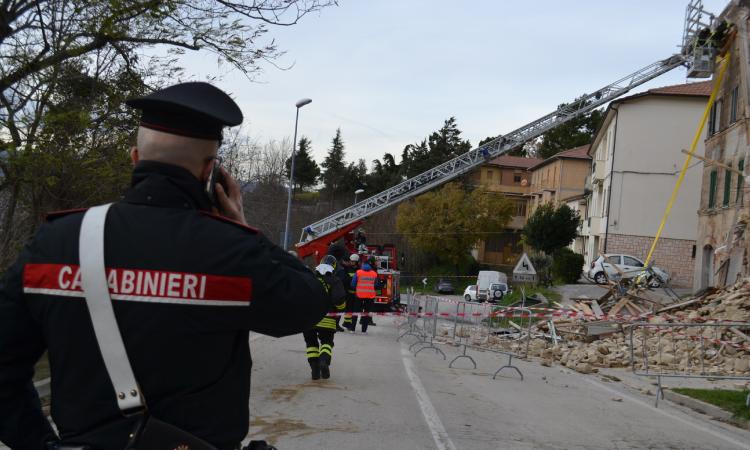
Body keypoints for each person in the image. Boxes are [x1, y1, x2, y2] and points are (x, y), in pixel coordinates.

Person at [0, 82, 332, 449]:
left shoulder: (55, 243)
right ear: (211, 173)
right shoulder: (233, 252)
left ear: (134, 159)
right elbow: (310, 302)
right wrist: (245, 229)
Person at [302, 255, 346, 380]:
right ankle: (324, 361)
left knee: (311, 344)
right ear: (333, 267)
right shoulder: (335, 280)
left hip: (309, 319)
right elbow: (339, 301)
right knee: (327, 342)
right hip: (328, 320)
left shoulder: (310, 278)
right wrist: (341, 310)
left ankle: (315, 369)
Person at [351, 262, 378, 333]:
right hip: (370, 296)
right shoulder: (374, 273)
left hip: (359, 295)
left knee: (356, 312)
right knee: (366, 313)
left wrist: (356, 289)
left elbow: (353, 284)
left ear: (362, 266)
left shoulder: (358, 272)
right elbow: (376, 284)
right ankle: (364, 330)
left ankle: (352, 329)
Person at [342, 253, 360, 332]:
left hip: (356, 293)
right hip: (349, 293)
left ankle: (350, 324)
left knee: (354, 309)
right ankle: (347, 323)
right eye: (351, 261)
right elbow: (345, 280)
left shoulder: (359, 270)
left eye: (354, 262)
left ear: (357, 262)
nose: (352, 263)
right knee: (348, 308)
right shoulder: (347, 269)